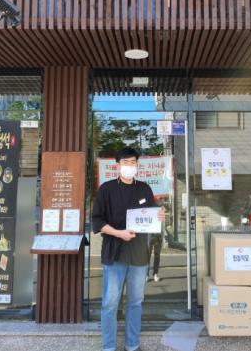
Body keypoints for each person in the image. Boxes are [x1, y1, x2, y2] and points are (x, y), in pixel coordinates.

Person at [92, 147, 165, 351]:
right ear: (117, 166)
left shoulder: (144, 189)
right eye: (126, 162)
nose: (130, 166)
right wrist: (118, 233)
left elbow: (151, 215)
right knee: (110, 304)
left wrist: (159, 215)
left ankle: (132, 345)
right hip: (114, 254)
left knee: (135, 302)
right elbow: (97, 221)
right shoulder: (106, 189)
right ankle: (108, 347)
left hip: (139, 255)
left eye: (133, 162)